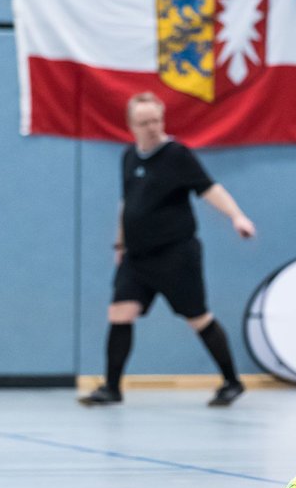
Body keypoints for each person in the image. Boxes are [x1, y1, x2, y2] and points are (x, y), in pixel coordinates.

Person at [78, 92, 256, 409]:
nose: (152, 128)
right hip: (136, 257)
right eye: (144, 122)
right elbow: (127, 203)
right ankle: (112, 387)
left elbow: (209, 189)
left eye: (157, 120)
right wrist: (120, 243)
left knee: (197, 317)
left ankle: (232, 381)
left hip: (176, 255)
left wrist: (236, 216)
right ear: (131, 125)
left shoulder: (177, 154)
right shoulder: (129, 157)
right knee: (120, 313)